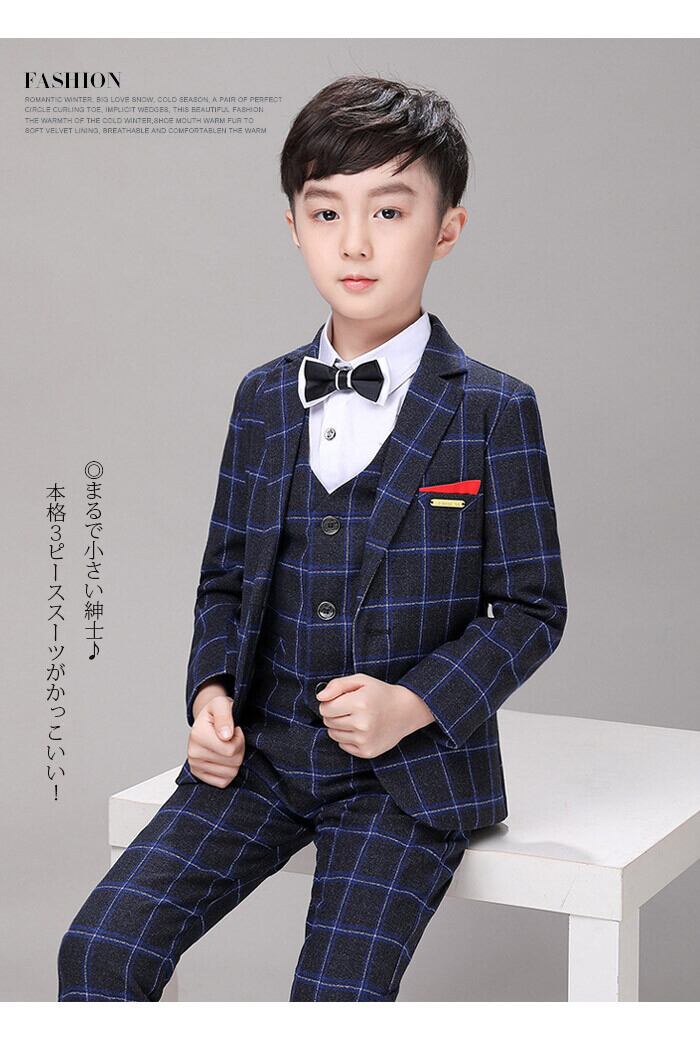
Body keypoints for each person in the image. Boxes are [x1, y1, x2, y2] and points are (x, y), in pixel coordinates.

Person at [57, 73, 567, 1002]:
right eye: (327, 213)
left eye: (390, 211)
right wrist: (211, 695)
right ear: (293, 225)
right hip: (260, 757)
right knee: (98, 952)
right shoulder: (261, 397)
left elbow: (532, 610)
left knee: (333, 1001)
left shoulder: (494, 409)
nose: (355, 243)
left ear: (447, 228)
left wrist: (412, 704)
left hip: (404, 777)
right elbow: (225, 578)